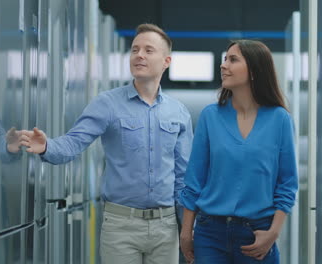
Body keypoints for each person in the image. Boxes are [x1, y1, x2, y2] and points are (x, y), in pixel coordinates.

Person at [18, 23, 193, 264]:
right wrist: (48, 146)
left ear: (166, 61)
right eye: (135, 50)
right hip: (121, 226)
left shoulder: (179, 112)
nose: (139, 55)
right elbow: (73, 143)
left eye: (148, 50)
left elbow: (183, 176)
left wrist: (187, 228)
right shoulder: (107, 103)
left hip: (166, 227)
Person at [178, 40, 298, 264]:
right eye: (225, 59)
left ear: (254, 70)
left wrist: (273, 232)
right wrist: (186, 232)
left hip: (257, 234)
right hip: (209, 234)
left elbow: (287, 183)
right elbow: (194, 180)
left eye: (233, 60)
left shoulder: (280, 119)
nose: (224, 65)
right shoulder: (210, 116)